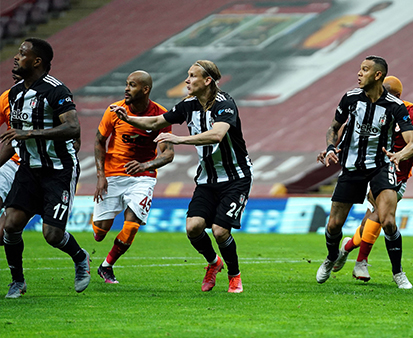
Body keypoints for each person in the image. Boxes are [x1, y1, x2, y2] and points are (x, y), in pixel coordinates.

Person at [111, 60, 252, 293]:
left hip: (236, 178)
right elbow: (157, 121)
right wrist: (128, 118)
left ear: (207, 81)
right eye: (188, 75)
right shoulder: (188, 105)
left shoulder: (225, 104)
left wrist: (178, 139)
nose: (187, 80)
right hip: (207, 178)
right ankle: (213, 263)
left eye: (192, 76)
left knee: (220, 230)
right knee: (193, 227)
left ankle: (234, 275)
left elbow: (217, 135)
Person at [316, 56, 413, 289]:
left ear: (378, 75)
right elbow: (334, 127)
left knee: (388, 221)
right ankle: (332, 256)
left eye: (364, 70)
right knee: (333, 225)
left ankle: (398, 273)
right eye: (360, 69)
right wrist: (331, 147)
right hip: (352, 166)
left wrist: (398, 156)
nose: (359, 74)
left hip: (381, 166)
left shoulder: (395, 106)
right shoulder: (351, 98)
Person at [0, 38, 90, 299]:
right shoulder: (15, 94)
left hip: (59, 170)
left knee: (52, 235)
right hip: (28, 170)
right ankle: (17, 281)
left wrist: (32, 133)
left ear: (37, 61)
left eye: (22, 54)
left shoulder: (56, 91)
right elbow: (14, 138)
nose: (16, 58)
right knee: (11, 225)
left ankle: (80, 256)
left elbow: (73, 127)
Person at [92, 71, 174, 284]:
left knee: (131, 225)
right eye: (127, 84)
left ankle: (106, 266)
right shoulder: (114, 111)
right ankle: (101, 248)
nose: (126, 89)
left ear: (145, 89)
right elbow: (99, 140)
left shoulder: (161, 115)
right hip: (112, 174)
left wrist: (144, 165)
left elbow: (168, 154)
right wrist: (100, 176)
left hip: (143, 177)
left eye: (132, 85)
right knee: (99, 233)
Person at [0, 74, 23, 242]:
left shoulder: (51, 94)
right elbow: (11, 142)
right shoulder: (6, 97)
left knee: (53, 234)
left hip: (39, 166)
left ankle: (78, 256)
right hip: (11, 162)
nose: (15, 67)